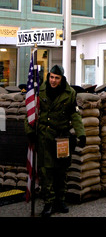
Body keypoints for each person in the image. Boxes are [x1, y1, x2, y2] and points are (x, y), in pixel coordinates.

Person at [25, 65, 86, 217]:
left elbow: (75, 115)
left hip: (62, 137)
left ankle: (60, 200)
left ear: (62, 79)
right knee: (46, 171)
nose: (53, 80)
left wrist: (81, 134)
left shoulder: (70, 93)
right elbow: (30, 113)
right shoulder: (40, 90)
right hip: (45, 136)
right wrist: (30, 132)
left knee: (61, 170)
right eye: (51, 77)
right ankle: (48, 203)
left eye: (56, 78)